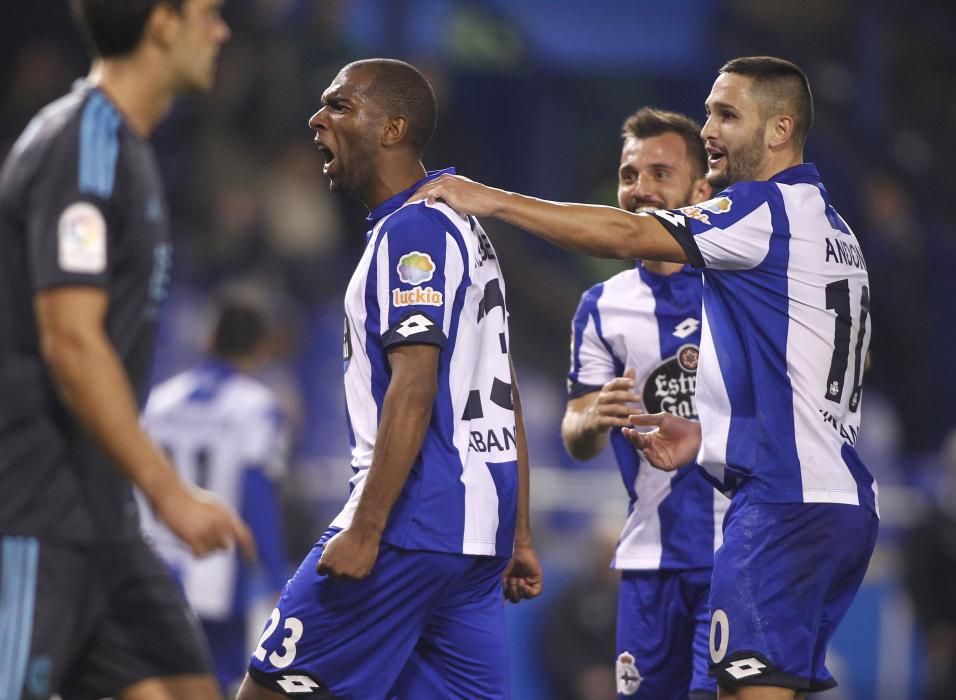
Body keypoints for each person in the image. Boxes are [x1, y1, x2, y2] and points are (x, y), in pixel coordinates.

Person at [413, 56, 878, 700]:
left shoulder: (760, 211)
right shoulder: (835, 230)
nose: (709, 127)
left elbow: (623, 232)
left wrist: (489, 199)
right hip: (839, 501)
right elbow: (806, 377)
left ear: (779, 130)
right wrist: (709, 439)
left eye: (726, 115)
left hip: (778, 508)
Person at [237, 58, 542, 700]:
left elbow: (415, 384)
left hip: (410, 524)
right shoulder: (466, 226)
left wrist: (368, 529)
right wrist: (517, 533)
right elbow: (500, 383)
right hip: (474, 540)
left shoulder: (415, 230)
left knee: (268, 689)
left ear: (392, 129)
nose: (318, 119)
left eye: (340, 107)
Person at [0, 2, 254, 699]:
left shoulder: (126, 150)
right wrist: (168, 493)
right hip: (32, 516)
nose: (222, 31)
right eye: (208, 14)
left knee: (186, 687)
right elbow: (72, 342)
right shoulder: (82, 146)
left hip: (102, 520)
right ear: (163, 23)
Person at [562, 106, 727, 699]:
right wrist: (594, 416)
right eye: (630, 175)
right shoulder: (601, 305)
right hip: (649, 562)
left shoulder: (738, 290)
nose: (641, 189)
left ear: (700, 190)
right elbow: (576, 434)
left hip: (735, 556)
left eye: (660, 173)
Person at [140, 300, 290, 694]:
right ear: (261, 347)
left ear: (208, 340)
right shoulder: (255, 406)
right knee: (218, 677)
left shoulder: (160, 400)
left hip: (155, 558)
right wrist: (275, 574)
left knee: (156, 675)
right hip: (219, 562)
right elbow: (256, 491)